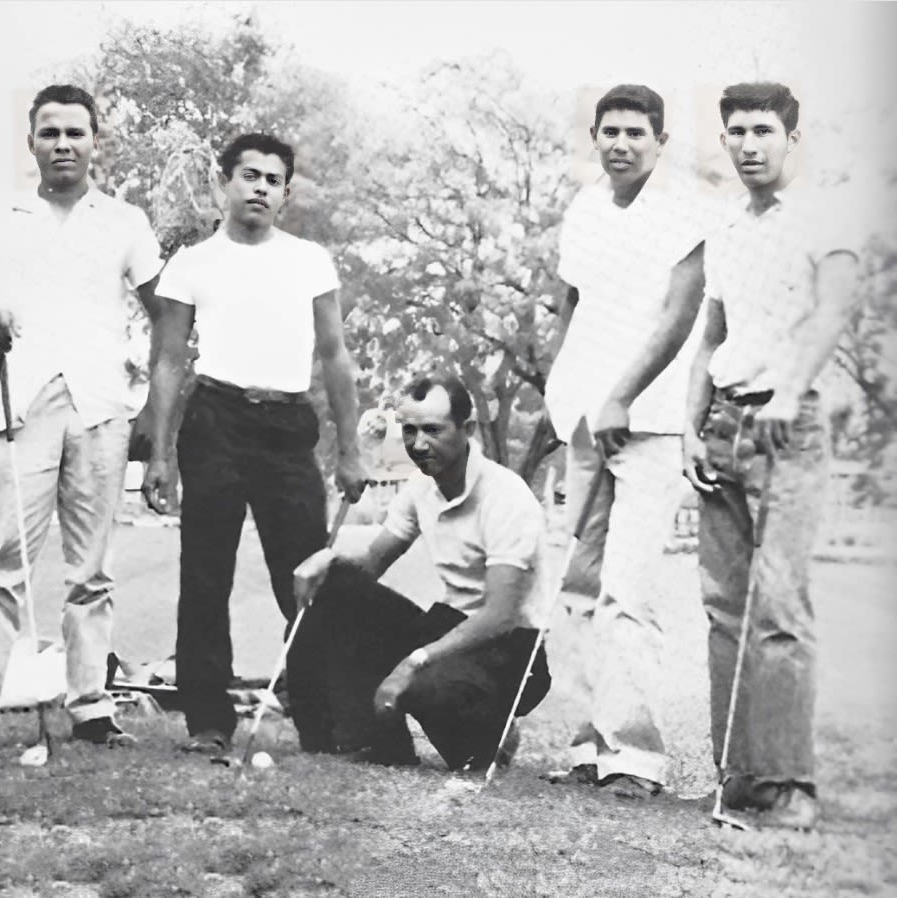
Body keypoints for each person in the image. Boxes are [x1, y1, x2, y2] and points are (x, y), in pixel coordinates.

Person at [0, 85, 164, 750]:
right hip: (19, 400)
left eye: (75, 133)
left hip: (100, 405)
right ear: (31, 141)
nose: (63, 144)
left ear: (95, 141)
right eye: (50, 133)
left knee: (92, 568)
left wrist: (152, 391)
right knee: (3, 561)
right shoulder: (5, 213)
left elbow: (165, 310)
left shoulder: (125, 222)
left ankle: (90, 704)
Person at [141, 132, 368, 755]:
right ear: (224, 183)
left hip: (287, 426)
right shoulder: (190, 263)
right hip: (214, 419)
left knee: (304, 576)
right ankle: (208, 720)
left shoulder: (309, 260)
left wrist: (350, 448)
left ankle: (322, 721)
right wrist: (160, 455)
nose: (260, 187)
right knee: (205, 575)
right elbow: (167, 363)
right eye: (249, 175)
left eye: (273, 179)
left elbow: (334, 354)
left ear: (286, 193)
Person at [683, 82, 859, 831]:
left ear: (792, 136)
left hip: (792, 422)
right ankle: (741, 777)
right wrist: (691, 424)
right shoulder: (725, 228)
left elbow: (835, 308)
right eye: (736, 131)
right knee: (725, 609)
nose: (749, 144)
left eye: (763, 130)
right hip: (724, 421)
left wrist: (791, 390)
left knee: (780, 606)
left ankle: (792, 785)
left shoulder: (826, 218)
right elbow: (711, 336)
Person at [541, 85, 710, 798]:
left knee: (627, 592)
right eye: (608, 131)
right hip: (585, 424)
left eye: (635, 132)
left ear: (661, 141)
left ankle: (636, 758)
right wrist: (564, 392)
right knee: (578, 590)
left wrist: (621, 396)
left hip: (652, 422)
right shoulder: (583, 210)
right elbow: (571, 307)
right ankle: (591, 743)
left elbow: (680, 313)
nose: (619, 143)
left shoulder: (684, 209)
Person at [286, 374, 551, 769]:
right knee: (337, 586)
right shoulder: (420, 488)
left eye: (432, 430)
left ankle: (494, 732)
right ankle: (374, 742)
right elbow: (373, 563)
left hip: (511, 647)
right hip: (448, 625)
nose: (419, 444)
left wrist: (413, 662)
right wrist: (329, 560)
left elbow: (502, 614)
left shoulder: (507, 498)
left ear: (467, 430)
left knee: (435, 702)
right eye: (409, 431)